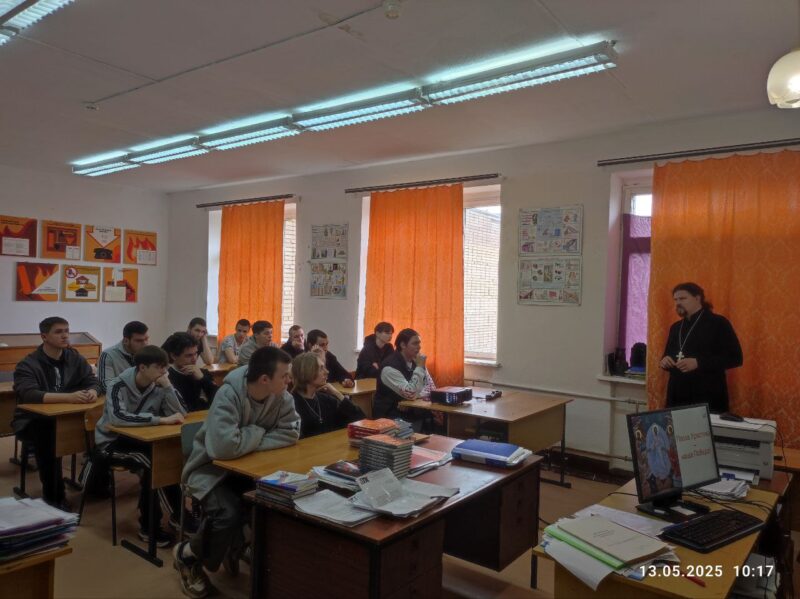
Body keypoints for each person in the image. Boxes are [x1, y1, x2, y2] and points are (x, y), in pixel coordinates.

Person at [174, 347, 300, 597]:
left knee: (272, 505)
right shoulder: (229, 394)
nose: (289, 380)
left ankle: (235, 544)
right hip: (210, 470)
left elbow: (291, 433)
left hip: (251, 470)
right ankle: (188, 555)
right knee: (228, 513)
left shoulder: (283, 396)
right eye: (284, 375)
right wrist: (258, 431)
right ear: (264, 379)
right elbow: (222, 448)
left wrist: (245, 439)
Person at [94, 345, 186, 546]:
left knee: (165, 461)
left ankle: (179, 517)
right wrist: (160, 420)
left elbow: (181, 413)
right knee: (153, 465)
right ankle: (151, 526)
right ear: (142, 367)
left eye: (165, 367)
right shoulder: (117, 385)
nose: (164, 372)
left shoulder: (160, 385)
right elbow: (118, 418)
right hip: (112, 443)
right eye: (159, 367)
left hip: (140, 441)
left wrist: (168, 387)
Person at [12, 317, 99, 509]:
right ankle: (54, 496)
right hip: (33, 420)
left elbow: (91, 380)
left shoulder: (74, 358)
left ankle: (97, 485)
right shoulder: (28, 364)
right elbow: (29, 394)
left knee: (99, 429)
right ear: (44, 336)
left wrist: (93, 391)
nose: (65, 335)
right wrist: (69, 398)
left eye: (67, 330)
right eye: (59, 332)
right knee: (49, 438)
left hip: (67, 416)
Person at [659, 282, 743, 413]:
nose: (678, 303)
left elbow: (735, 358)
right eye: (675, 300)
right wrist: (664, 361)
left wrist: (698, 363)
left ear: (697, 298)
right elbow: (668, 355)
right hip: (677, 395)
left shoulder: (718, 323)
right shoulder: (675, 327)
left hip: (707, 395)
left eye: (682, 298)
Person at [291, 352, 365, 438]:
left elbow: (360, 419)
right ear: (307, 372)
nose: (327, 371)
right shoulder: (291, 405)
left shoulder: (327, 400)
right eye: (321, 368)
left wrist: (338, 394)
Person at [373, 328, 427, 419]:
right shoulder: (389, 368)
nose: (419, 347)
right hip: (388, 417)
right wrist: (420, 368)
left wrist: (407, 401)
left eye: (419, 343)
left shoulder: (415, 362)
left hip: (409, 412)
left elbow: (427, 388)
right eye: (415, 343)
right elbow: (411, 393)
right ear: (403, 345)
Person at [163, 332, 218, 412]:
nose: (194, 359)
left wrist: (202, 379)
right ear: (174, 356)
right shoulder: (167, 378)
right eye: (189, 355)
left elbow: (219, 399)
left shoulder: (203, 373)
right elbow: (183, 408)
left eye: (195, 353)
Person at [97, 320, 149, 394]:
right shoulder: (108, 355)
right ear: (126, 341)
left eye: (146, 339)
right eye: (139, 341)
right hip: (120, 399)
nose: (145, 344)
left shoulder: (149, 354)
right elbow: (106, 386)